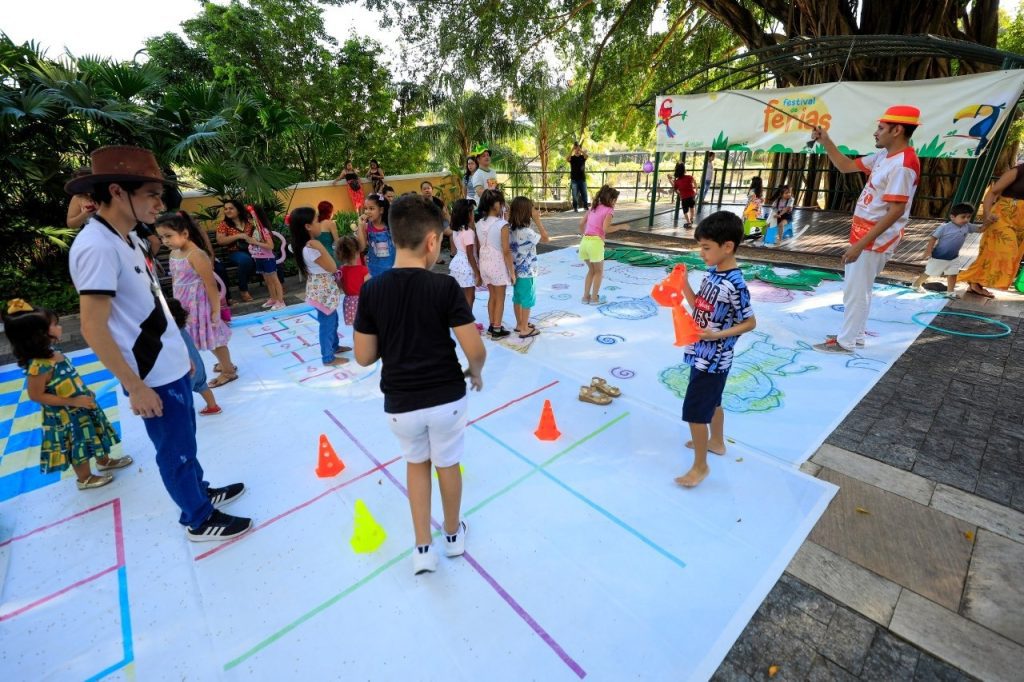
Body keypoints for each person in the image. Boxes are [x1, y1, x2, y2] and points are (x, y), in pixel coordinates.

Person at [67, 145, 251, 541]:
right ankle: (198, 518)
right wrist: (135, 386)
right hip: (149, 375)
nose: (160, 203)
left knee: (186, 442)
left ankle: (199, 493)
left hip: (169, 364)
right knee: (174, 450)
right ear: (117, 191)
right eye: (151, 193)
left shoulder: (128, 237)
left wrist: (181, 353)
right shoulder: (95, 246)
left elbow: (151, 304)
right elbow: (92, 327)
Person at [353, 195, 486, 575]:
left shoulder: (372, 290)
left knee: (416, 464)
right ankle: (452, 534)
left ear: (393, 238)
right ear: (432, 241)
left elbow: (363, 356)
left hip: (401, 403)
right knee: (448, 464)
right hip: (446, 398)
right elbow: (474, 349)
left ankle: (422, 548)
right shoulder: (444, 287)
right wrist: (475, 372)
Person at [811, 106, 921, 354]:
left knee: (856, 290)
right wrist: (826, 141)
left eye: (881, 128)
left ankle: (845, 341)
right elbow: (846, 166)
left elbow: (895, 211)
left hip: (875, 238)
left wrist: (860, 246)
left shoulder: (903, 164)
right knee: (858, 287)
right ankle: (854, 335)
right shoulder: (885, 157)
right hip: (864, 232)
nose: (876, 133)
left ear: (897, 130)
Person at [2, 298, 132, 490]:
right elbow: (36, 396)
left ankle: (104, 461)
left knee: (93, 432)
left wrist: (84, 393)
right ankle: (84, 478)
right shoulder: (39, 366)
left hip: (81, 406)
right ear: (38, 335)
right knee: (77, 444)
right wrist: (73, 400)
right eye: (54, 325)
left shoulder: (53, 352)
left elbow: (69, 378)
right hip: (65, 417)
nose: (60, 327)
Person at [676, 212, 756, 488]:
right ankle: (717, 442)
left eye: (706, 247)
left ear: (728, 247)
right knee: (714, 402)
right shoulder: (712, 275)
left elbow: (750, 322)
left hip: (713, 359)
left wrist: (717, 334)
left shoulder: (735, 284)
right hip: (701, 351)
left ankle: (700, 467)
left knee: (695, 411)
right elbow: (699, 304)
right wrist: (684, 283)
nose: (702, 253)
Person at [155, 211, 238, 388]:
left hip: (201, 304)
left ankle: (228, 371)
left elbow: (210, 285)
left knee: (214, 337)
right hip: (186, 305)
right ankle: (225, 364)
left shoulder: (196, 254)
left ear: (184, 233)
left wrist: (215, 310)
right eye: (162, 237)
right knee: (204, 338)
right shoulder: (175, 253)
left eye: (168, 236)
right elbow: (176, 279)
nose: (165, 241)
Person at [290, 206, 348, 367]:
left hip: (322, 288)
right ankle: (328, 357)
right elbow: (331, 267)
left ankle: (334, 346)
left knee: (332, 319)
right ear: (307, 226)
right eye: (317, 221)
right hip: (323, 291)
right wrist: (322, 247)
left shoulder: (303, 244)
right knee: (327, 323)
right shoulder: (313, 244)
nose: (320, 225)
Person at [960, 164, 1024, 297]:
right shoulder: (1018, 170)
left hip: (1021, 223)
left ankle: (975, 283)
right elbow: (993, 192)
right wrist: (987, 214)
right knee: (1007, 250)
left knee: (993, 253)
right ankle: (974, 279)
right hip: (1002, 217)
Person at [912, 203, 985, 297]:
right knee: (929, 272)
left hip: (954, 257)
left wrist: (988, 221)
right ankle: (916, 284)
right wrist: (928, 250)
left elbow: (980, 229)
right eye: (963, 217)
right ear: (952, 217)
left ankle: (950, 292)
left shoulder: (967, 226)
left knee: (953, 274)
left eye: (969, 217)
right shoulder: (944, 227)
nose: (966, 219)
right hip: (939, 256)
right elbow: (933, 238)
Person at [166, 297, 222, 416]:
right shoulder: (182, 328)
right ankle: (213, 406)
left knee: (182, 394)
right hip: (198, 366)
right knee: (203, 386)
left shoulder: (169, 334)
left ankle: (184, 415)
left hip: (186, 371)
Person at [509, 196, 550, 338]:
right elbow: (545, 238)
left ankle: (520, 324)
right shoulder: (527, 232)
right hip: (528, 272)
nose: (535, 211)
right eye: (532, 208)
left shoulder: (510, 229)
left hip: (515, 271)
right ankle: (525, 329)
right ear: (526, 212)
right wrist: (538, 220)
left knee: (517, 298)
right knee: (527, 299)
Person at [476, 189, 514, 337]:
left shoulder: (479, 223)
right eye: (501, 202)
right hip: (497, 264)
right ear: (496, 205)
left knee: (492, 295)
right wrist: (512, 272)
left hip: (484, 263)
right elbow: (506, 250)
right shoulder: (502, 224)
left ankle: (492, 325)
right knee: (500, 298)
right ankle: (497, 328)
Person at [578, 185, 625, 305]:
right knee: (598, 272)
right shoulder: (609, 210)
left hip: (584, 242)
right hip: (595, 243)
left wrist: (586, 235)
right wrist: (621, 226)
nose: (616, 203)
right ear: (611, 200)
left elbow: (581, 223)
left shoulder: (594, 207)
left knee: (591, 271)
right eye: (615, 200)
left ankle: (585, 297)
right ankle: (594, 298)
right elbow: (606, 228)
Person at [244, 205, 286, 311]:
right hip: (259, 258)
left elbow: (270, 246)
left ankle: (280, 301)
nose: (248, 221)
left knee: (274, 280)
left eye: (250, 218)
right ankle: (273, 298)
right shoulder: (255, 231)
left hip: (267, 258)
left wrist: (255, 242)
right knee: (267, 280)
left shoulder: (264, 231)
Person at [215, 200, 257, 303]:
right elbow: (220, 241)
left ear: (238, 210)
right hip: (235, 252)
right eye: (225, 209)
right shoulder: (224, 224)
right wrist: (238, 236)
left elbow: (259, 232)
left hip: (254, 249)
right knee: (245, 260)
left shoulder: (248, 221)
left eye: (231, 208)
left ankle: (278, 285)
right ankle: (243, 289)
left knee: (272, 256)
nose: (227, 211)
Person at [448, 199, 483, 310]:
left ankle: (463, 320)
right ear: (467, 214)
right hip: (467, 267)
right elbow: (470, 255)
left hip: (458, 264)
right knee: (470, 296)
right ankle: (467, 322)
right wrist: (478, 273)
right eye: (472, 212)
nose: (474, 214)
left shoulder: (457, 229)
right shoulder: (468, 232)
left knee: (462, 296)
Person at [356, 193, 395, 277]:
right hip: (374, 269)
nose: (367, 212)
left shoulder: (390, 226)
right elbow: (362, 247)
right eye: (365, 209)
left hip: (392, 267)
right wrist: (360, 226)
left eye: (371, 208)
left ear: (381, 210)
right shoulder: (366, 227)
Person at [335, 235, 369, 327]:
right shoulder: (364, 270)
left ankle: (356, 341)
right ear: (357, 251)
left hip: (349, 302)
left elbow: (339, 286)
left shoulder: (340, 270)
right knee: (365, 327)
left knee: (355, 327)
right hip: (362, 302)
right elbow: (369, 289)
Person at [672, 163, 697, 227]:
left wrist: (679, 193)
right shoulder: (689, 177)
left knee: (685, 211)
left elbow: (675, 189)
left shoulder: (677, 181)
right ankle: (691, 219)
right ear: (684, 170)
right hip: (692, 196)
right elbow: (695, 182)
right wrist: (696, 190)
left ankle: (688, 222)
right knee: (692, 207)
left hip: (684, 198)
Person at [569, 143, 590, 212]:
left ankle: (585, 206)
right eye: (576, 149)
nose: (577, 150)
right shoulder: (572, 158)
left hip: (582, 179)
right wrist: (572, 149)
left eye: (578, 149)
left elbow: (587, 156)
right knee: (574, 195)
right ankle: (575, 207)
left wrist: (580, 150)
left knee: (584, 194)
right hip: (574, 180)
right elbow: (567, 158)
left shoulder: (582, 157)